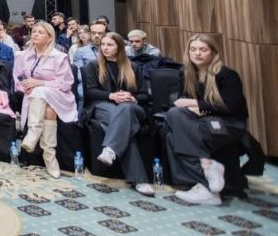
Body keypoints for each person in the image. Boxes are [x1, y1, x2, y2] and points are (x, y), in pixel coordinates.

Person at [166, 34, 248, 206]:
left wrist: (196, 104)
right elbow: (182, 101)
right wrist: (196, 107)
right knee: (173, 120)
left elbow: (231, 107)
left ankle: (206, 177)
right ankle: (206, 179)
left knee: (178, 133)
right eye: (193, 49)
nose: (197, 53)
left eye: (202, 49)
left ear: (212, 52)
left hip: (228, 125)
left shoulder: (227, 75)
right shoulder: (188, 74)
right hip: (204, 121)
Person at [84, 32, 154, 196]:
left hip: (132, 108)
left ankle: (110, 149)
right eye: (103, 45)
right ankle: (140, 180)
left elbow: (145, 95)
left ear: (119, 47)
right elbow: (90, 92)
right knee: (125, 127)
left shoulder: (133, 67)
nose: (105, 48)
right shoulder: (94, 66)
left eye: (110, 45)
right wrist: (111, 96)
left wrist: (132, 98)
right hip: (103, 107)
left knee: (125, 109)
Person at [13, 21, 76, 178]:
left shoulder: (59, 57)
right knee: (49, 111)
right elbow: (18, 77)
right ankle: (50, 157)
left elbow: (65, 84)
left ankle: (33, 134)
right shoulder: (22, 56)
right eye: (34, 31)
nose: (35, 34)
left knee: (41, 91)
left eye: (40, 32)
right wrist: (26, 87)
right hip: (33, 96)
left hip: (59, 95)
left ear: (50, 38)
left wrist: (40, 83)